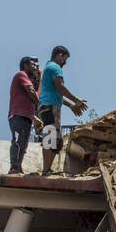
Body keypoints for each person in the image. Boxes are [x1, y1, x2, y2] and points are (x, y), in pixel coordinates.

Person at [38, 46, 88, 175]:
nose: (65, 62)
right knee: (50, 137)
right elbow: (60, 88)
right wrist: (76, 99)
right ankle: (46, 170)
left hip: (49, 106)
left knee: (56, 141)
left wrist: (71, 105)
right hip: (50, 107)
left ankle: (47, 169)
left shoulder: (48, 68)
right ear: (59, 55)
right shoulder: (55, 68)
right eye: (65, 59)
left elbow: (56, 93)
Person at [7, 56, 41, 174]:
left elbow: (31, 99)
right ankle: (14, 167)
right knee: (17, 141)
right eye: (33, 65)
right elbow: (32, 93)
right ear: (25, 65)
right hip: (17, 115)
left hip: (26, 116)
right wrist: (39, 103)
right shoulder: (21, 74)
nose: (35, 67)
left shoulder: (29, 79)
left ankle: (18, 167)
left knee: (23, 144)